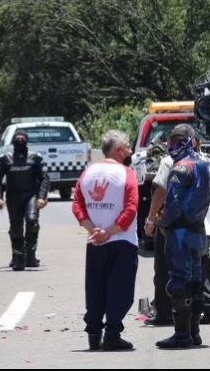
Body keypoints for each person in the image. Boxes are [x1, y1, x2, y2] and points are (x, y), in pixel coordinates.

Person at [144, 139, 210, 327]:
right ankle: (203, 317)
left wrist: (154, 219)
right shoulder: (207, 162)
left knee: (169, 273)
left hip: (177, 229)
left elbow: (163, 193)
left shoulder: (172, 163)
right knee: (196, 274)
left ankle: (171, 321)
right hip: (200, 225)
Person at [72, 130, 138, 352]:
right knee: (120, 289)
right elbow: (131, 209)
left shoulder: (88, 172)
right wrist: (109, 232)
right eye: (128, 146)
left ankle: (93, 334)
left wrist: (94, 230)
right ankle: (112, 335)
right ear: (119, 151)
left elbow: (77, 205)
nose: (131, 150)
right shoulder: (127, 173)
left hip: (96, 243)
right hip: (122, 241)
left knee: (95, 288)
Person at [156, 125, 210, 349]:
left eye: (173, 143)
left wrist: (162, 222)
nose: (170, 148)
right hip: (198, 230)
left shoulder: (181, 168)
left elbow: (172, 204)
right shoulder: (206, 165)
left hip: (180, 232)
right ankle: (194, 332)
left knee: (179, 282)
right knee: (196, 281)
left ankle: (182, 335)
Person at [0, 130, 50, 271]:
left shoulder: (35, 157)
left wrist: (42, 197)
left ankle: (30, 255)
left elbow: (44, 178)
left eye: (23, 139)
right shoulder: (5, 158)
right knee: (16, 227)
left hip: (31, 195)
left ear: (27, 141)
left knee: (32, 221)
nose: (20, 140)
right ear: (13, 142)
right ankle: (18, 257)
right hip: (13, 196)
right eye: (17, 139)